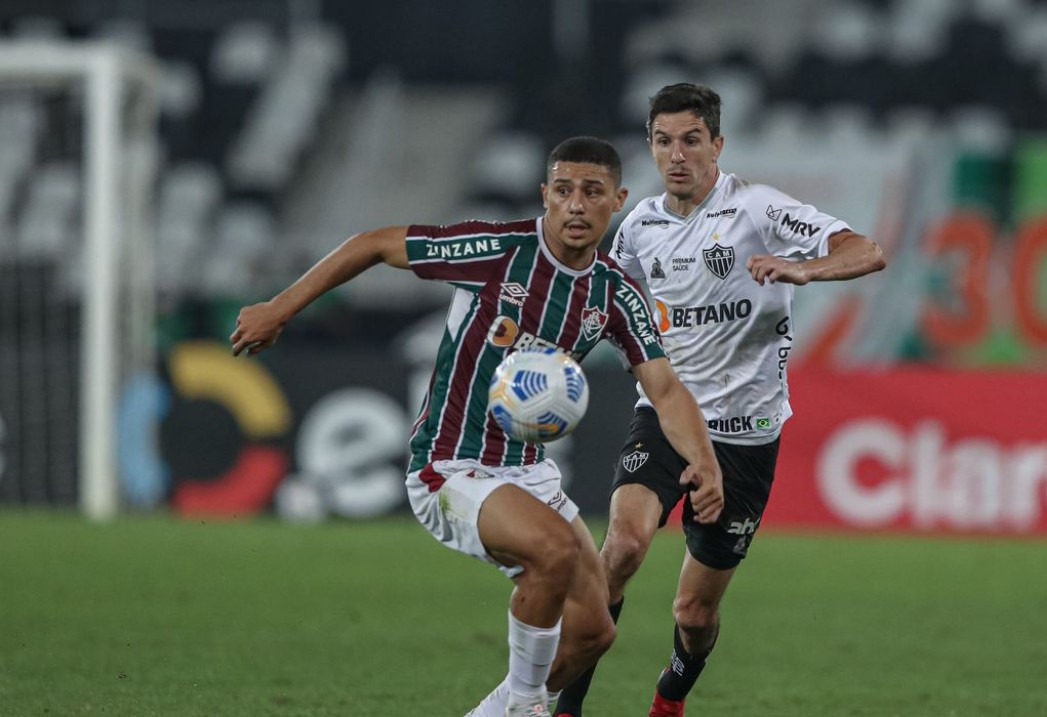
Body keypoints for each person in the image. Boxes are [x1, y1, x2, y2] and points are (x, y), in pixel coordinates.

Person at [229, 136, 722, 717]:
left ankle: (504, 710)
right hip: (450, 465)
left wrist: (705, 460)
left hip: (526, 472)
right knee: (554, 551)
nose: (576, 205)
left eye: (592, 192)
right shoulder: (500, 252)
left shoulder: (614, 293)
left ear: (617, 200)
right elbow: (376, 244)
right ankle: (526, 708)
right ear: (545, 196)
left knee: (592, 633)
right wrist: (279, 308)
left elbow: (664, 387)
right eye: (563, 191)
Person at [553, 85, 886, 717]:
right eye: (662, 141)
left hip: (746, 437)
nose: (676, 155)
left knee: (694, 611)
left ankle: (669, 699)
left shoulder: (758, 209)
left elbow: (866, 250)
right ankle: (563, 708)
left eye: (690, 139)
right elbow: (603, 310)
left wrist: (803, 269)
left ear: (717, 145)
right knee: (621, 548)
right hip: (668, 416)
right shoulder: (638, 230)